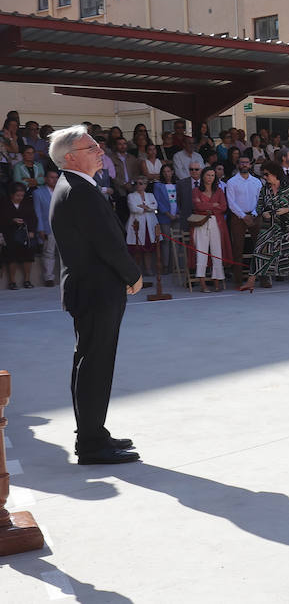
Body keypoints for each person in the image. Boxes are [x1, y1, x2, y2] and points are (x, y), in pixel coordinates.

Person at [47, 125, 143, 465]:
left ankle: (93, 432)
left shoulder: (77, 186)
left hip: (92, 288)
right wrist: (132, 275)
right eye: (91, 147)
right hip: (97, 289)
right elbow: (106, 242)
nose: (99, 150)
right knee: (95, 365)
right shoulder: (77, 190)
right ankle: (90, 444)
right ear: (70, 157)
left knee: (90, 362)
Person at [240, 161, 289, 292]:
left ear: (275, 174)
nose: (265, 177)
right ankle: (250, 282)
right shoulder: (264, 190)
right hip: (268, 226)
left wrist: (287, 210)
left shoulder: (288, 188)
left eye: (267, 174)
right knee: (259, 251)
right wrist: (263, 212)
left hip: (286, 225)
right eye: (263, 175)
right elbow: (259, 206)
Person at [225, 156, 263, 288]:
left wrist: (253, 214)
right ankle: (238, 280)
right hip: (238, 217)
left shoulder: (257, 182)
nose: (244, 165)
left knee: (260, 247)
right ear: (238, 165)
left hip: (255, 215)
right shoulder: (231, 182)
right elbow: (231, 202)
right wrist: (243, 216)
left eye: (247, 163)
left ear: (250, 165)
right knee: (238, 249)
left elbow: (261, 200)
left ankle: (263, 278)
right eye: (242, 163)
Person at [189, 166, 229, 292]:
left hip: (216, 223)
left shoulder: (219, 191)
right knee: (202, 252)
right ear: (203, 177)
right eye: (208, 175)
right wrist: (213, 205)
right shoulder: (196, 191)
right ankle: (203, 284)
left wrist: (208, 207)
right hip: (201, 224)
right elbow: (198, 206)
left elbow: (223, 207)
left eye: (212, 175)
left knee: (217, 252)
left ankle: (217, 282)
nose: (210, 178)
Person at [3, 184, 40, 289]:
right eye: (17, 195)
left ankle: (27, 280)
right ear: (11, 195)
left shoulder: (27, 203)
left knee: (28, 257)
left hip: (25, 234)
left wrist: (32, 230)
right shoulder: (5, 203)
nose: (20, 198)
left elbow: (33, 217)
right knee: (11, 258)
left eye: (22, 195)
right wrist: (12, 220)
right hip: (10, 234)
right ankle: (12, 281)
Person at [124, 176, 159, 286]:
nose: (139, 185)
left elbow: (155, 207)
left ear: (145, 185)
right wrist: (148, 208)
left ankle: (148, 269)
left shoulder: (150, 195)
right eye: (137, 183)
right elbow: (133, 209)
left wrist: (144, 207)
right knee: (137, 249)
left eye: (142, 183)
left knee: (148, 249)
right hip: (136, 225)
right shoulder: (131, 196)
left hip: (149, 224)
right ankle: (137, 272)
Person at [34, 169, 60, 286]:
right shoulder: (38, 192)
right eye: (51, 177)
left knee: (66, 253)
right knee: (48, 252)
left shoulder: (62, 191)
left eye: (56, 177)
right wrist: (40, 228)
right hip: (48, 227)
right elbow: (37, 212)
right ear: (45, 179)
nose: (54, 180)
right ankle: (49, 278)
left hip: (64, 227)